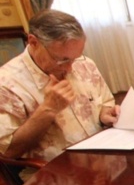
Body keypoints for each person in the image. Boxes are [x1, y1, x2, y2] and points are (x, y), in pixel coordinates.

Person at [0, 9, 119, 164]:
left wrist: (105, 115)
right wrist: (48, 109)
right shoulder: (6, 84)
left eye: (74, 58)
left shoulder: (85, 64)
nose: (70, 68)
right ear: (34, 42)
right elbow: (9, 150)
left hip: (101, 159)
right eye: (62, 60)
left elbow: (105, 103)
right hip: (52, 174)